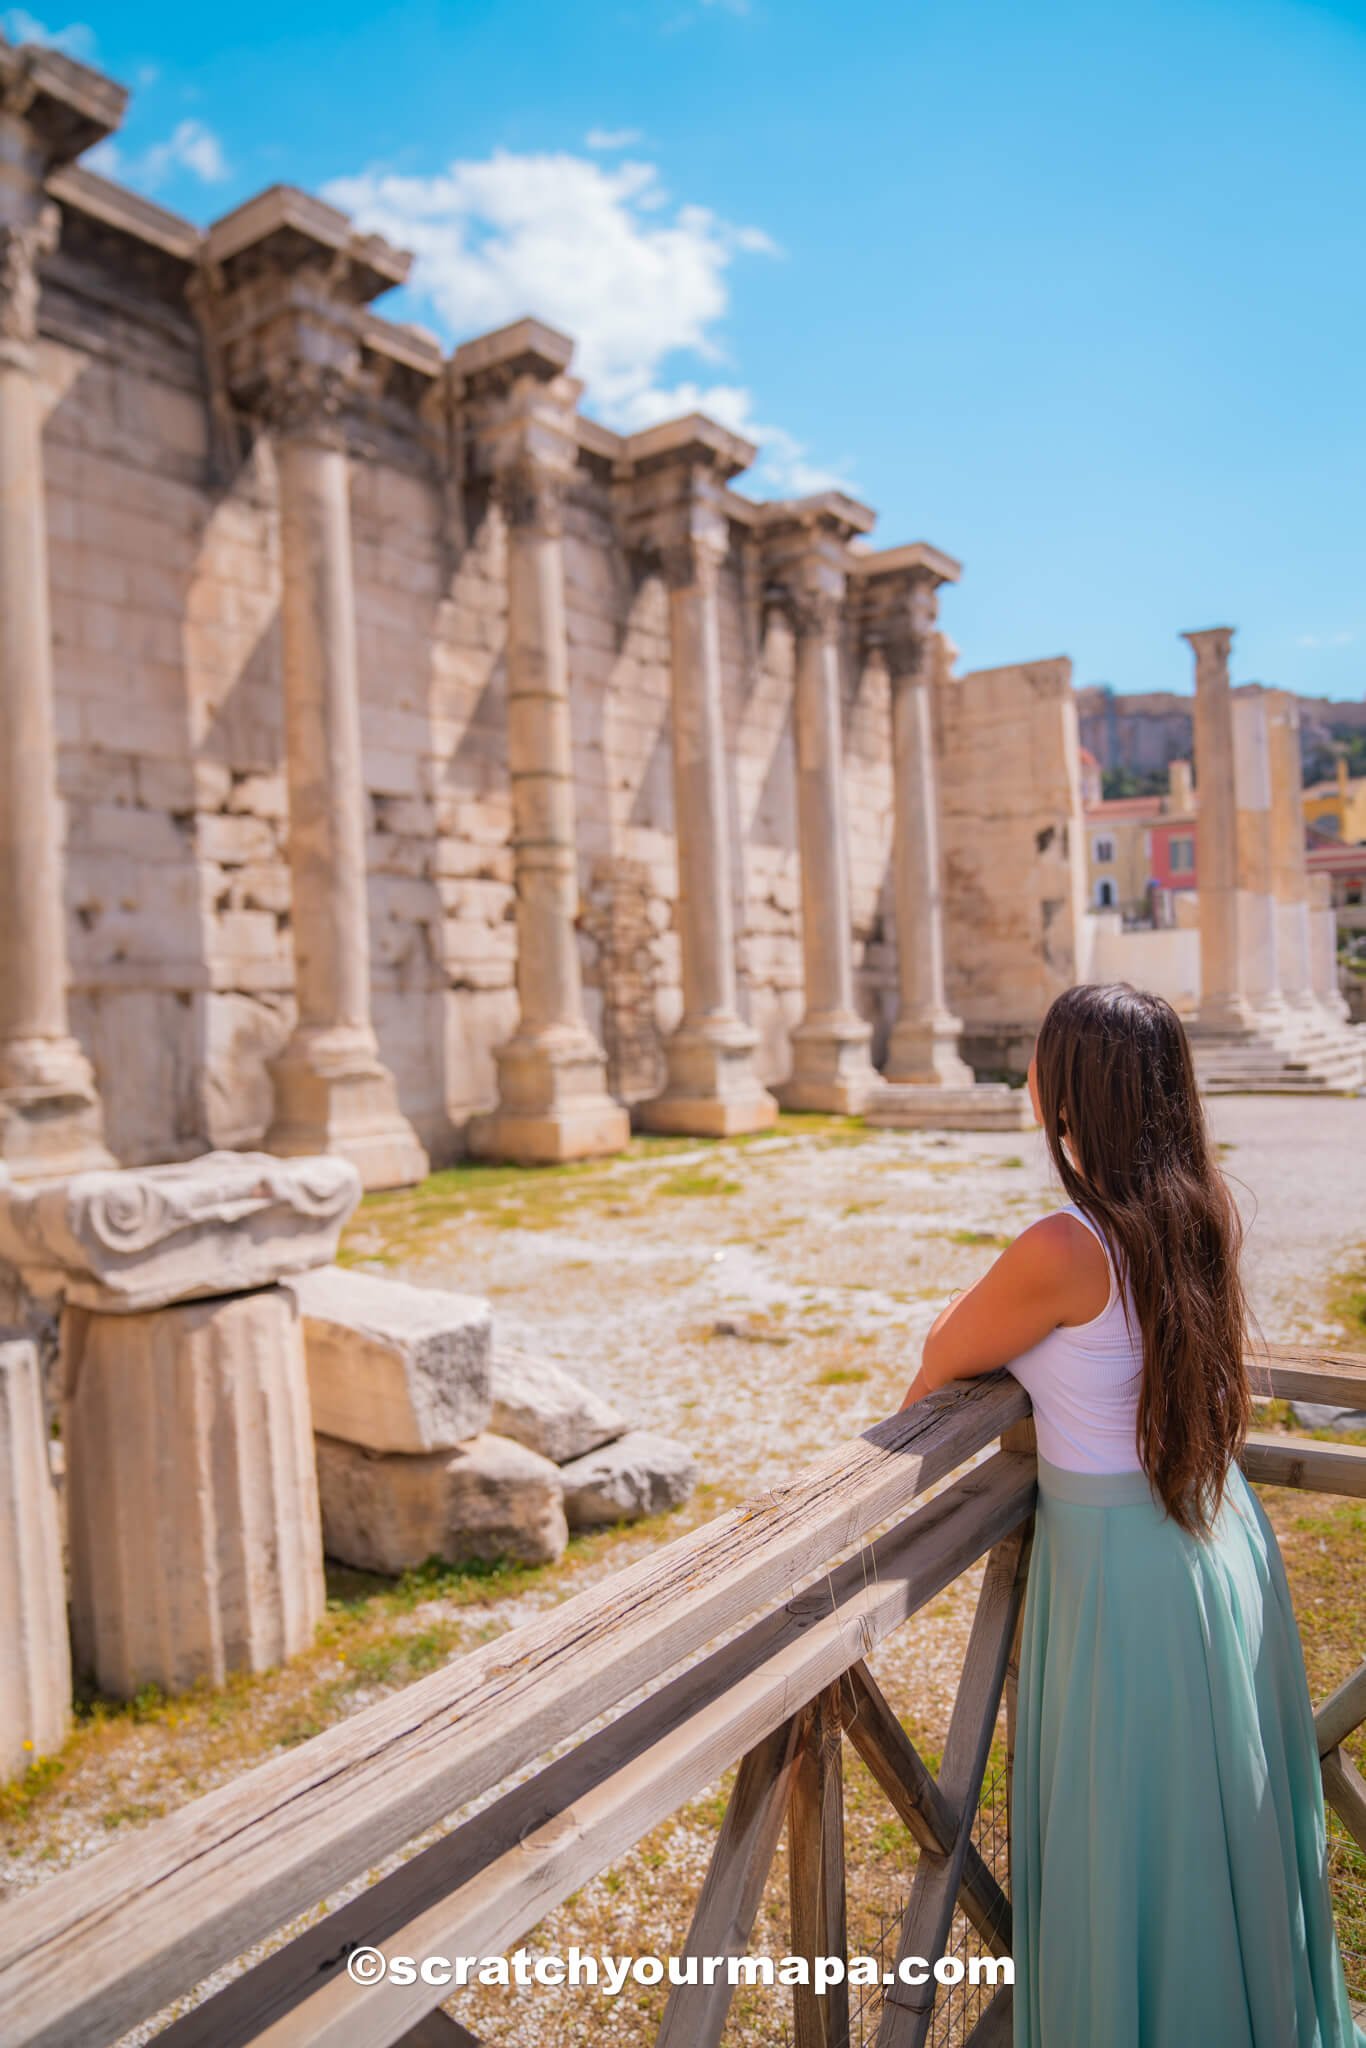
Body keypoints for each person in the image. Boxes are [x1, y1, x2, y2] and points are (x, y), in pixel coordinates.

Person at [898, 981, 1364, 2048]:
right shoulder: (1199, 1208)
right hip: (1215, 1531)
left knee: (1131, 1830)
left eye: (1040, 1056)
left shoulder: (1062, 1246)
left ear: (1069, 1089)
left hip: (1122, 1570)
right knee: (1220, 1821)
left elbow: (940, 1359)